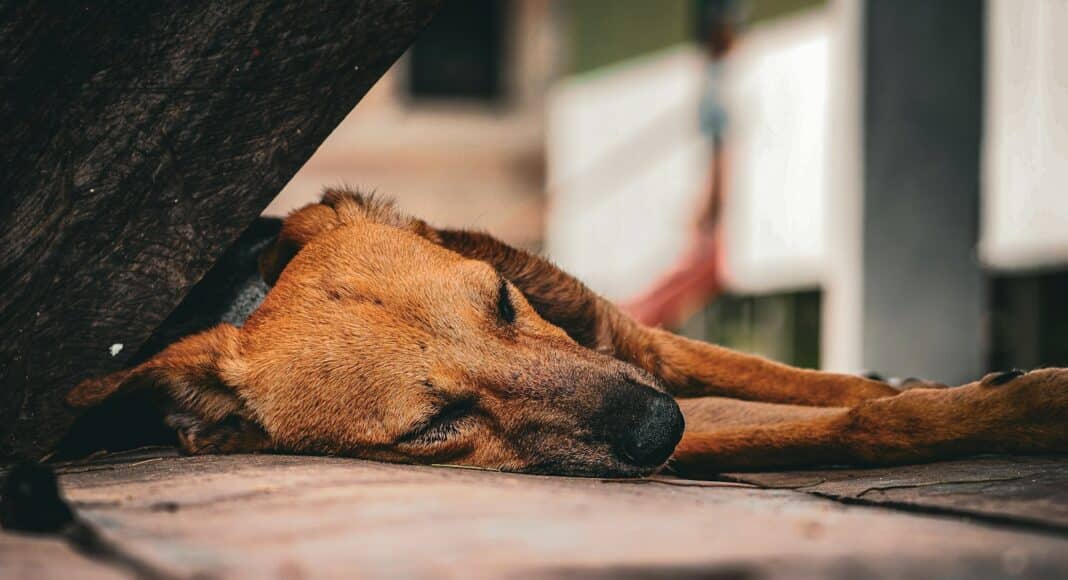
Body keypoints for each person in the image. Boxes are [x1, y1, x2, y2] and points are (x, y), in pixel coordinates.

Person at [620, 1, 739, 328]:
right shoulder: (719, 80)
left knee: (689, 276)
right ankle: (633, 314)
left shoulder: (718, 78)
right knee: (692, 274)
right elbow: (720, 152)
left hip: (716, 213)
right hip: (716, 213)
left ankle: (634, 314)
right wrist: (709, 203)